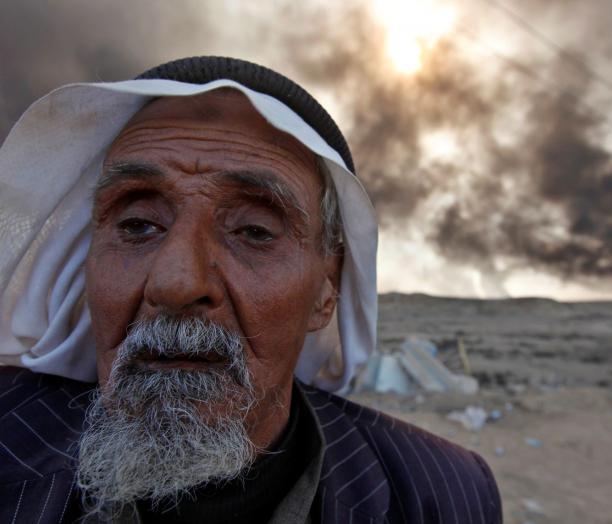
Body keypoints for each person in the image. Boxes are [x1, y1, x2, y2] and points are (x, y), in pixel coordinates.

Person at [0, 56, 502, 523]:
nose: (176, 284)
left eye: (254, 231)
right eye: (137, 224)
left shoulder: (441, 493)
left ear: (327, 290)